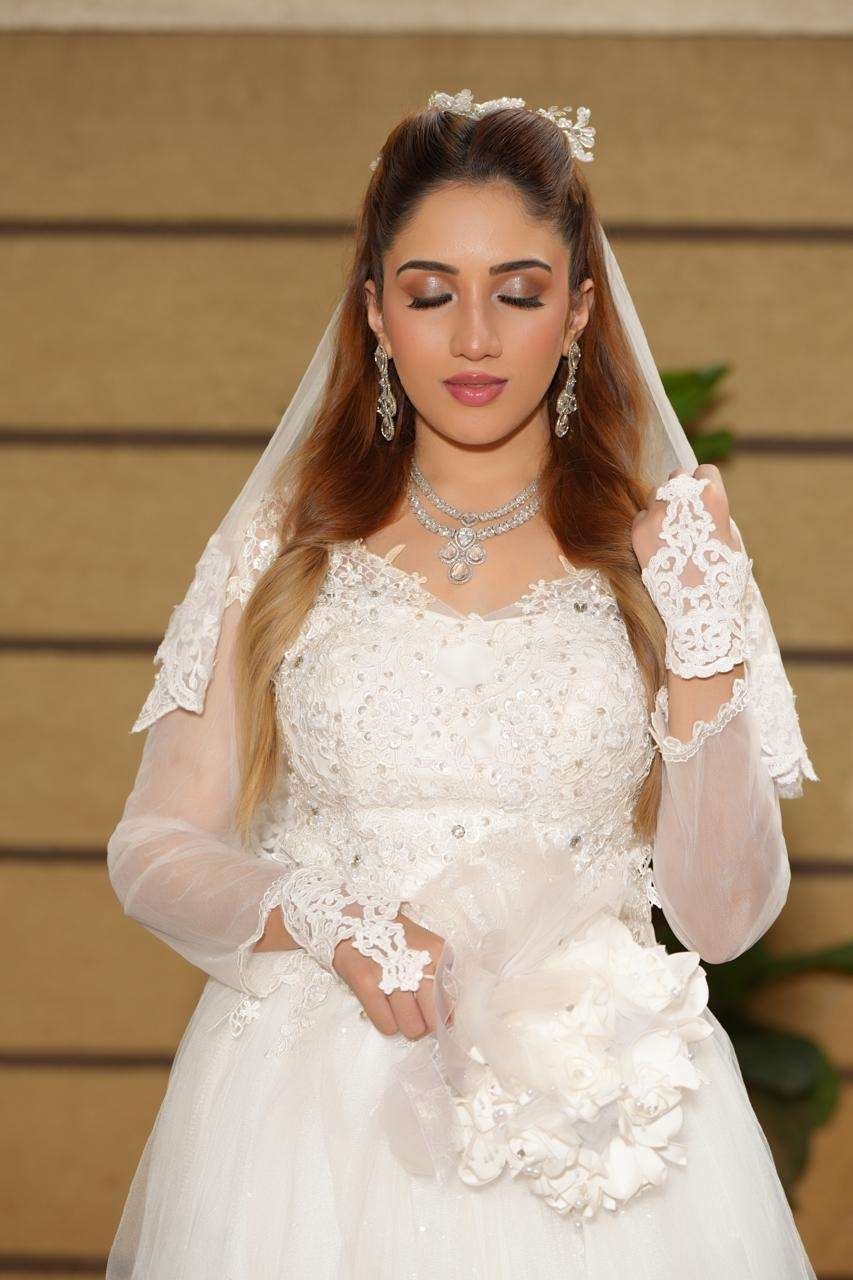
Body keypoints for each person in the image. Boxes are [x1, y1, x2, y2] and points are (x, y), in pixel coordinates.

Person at [105, 89, 819, 1278]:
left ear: (578, 310)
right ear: (375, 310)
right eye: (432, 293)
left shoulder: (665, 556)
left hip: (600, 1115)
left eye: (519, 293)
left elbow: (723, 915)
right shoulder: (281, 548)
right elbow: (153, 845)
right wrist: (327, 919)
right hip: (305, 1118)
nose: (475, 338)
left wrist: (700, 627)